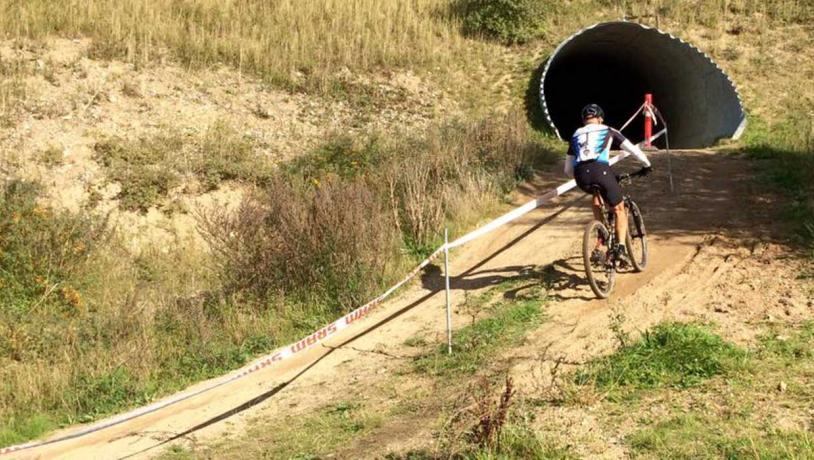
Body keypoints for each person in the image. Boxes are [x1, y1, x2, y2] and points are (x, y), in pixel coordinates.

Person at [565, 103, 652, 261]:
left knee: (596, 193)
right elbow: (631, 149)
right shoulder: (608, 130)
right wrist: (647, 164)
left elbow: (567, 170)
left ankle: (601, 235)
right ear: (600, 119)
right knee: (619, 209)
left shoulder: (575, 135)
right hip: (601, 171)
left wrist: (581, 175)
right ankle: (620, 248)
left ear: (584, 120)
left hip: (581, 176)